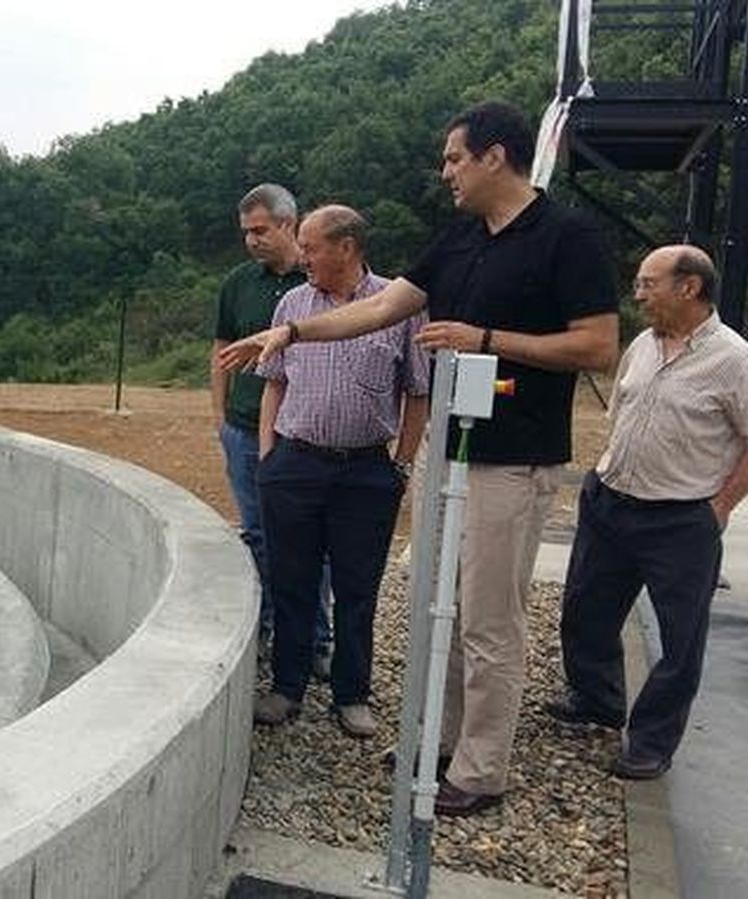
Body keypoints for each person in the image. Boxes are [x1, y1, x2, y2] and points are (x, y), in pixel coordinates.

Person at [218, 101, 620, 815]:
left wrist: (487, 338)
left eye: (454, 158)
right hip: (451, 451)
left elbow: (597, 346)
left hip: (513, 459)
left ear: (496, 156)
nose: (446, 173)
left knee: (491, 620)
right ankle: (447, 740)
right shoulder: (462, 237)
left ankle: (483, 768)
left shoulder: (568, 238)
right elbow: (380, 309)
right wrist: (295, 333)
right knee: (444, 607)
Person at [546, 245, 748, 779]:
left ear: (689, 287)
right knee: (585, 610)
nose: (638, 294)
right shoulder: (643, 346)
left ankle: (651, 741)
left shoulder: (734, 358)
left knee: (680, 639)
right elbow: (624, 412)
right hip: (611, 501)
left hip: (679, 521)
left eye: (648, 283)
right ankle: (597, 700)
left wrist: (720, 507)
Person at [250, 206, 429, 735]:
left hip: (365, 472)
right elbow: (274, 382)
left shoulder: (399, 304)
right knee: (291, 582)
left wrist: (401, 465)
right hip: (296, 464)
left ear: (346, 247)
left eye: (311, 246)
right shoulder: (293, 303)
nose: (302, 256)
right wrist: (269, 455)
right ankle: (287, 688)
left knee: (357, 588)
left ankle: (352, 695)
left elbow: (417, 393)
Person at [211, 183, 330, 671]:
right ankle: (261, 631)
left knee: (312, 540)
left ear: (288, 225)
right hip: (242, 431)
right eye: (245, 233)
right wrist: (220, 416)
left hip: (302, 435)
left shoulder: (321, 279)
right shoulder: (239, 284)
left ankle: (316, 641)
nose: (251, 241)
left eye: (260, 230)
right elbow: (220, 350)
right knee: (258, 535)